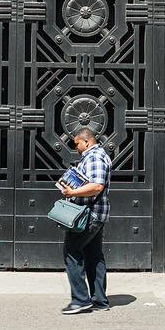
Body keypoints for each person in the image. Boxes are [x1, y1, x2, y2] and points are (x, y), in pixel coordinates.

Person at [56, 126, 112, 315]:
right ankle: (99, 301)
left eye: (77, 144)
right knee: (94, 256)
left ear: (86, 141)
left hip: (90, 214)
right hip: (96, 213)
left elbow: (97, 186)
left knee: (72, 251)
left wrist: (72, 192)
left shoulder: (94, 157)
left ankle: (80, 300)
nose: (76, 147)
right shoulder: (95, 156)